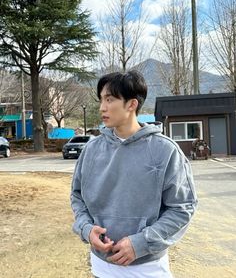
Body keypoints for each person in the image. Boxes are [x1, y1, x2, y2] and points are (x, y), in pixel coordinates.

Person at [71, 70, 198, 278]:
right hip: (100, 267)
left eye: (110, 100)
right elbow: (77, 196)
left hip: (148, 269)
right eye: (101, 99)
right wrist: (85, 228)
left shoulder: (164, 150)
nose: (102, 107)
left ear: (132, 105)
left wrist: (141, 243)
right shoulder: (91, 150)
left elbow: (183, 207)